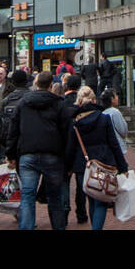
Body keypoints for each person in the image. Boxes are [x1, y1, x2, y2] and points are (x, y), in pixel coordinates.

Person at [4, 70, 70, 230]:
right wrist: (67, 161)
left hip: (28, 153)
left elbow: (13, 129)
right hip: (52, 154)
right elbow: (67, 133)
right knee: (55, 197)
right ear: (50, 85)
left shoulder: (23, 103)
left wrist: (10, 154)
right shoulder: (59, 104)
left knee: (27, 196)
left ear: (36, 84)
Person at [63, 86, 128, 230]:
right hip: (103, 163)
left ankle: (95, 226)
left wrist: (68, 167)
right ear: (94, 100)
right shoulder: (103, 118)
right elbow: (114, 144)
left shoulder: (75, 122)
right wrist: (122, 166)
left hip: (83, 165)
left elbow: (71, 146)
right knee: (101, 200)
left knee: (91, 198)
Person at [58, 73, 87, 224]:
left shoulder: (60, 104)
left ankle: (64, 212)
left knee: (64, 181)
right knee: (82, 183)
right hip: (81, 149)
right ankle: (81, 213)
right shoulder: (82, 105)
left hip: (63, 149)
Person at [100, 87, 128, 153]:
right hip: (118, 146)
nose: (118, 97)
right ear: (112, 99)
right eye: (116, 96)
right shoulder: (115, 112)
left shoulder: (103, 113)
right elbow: (123, 130)